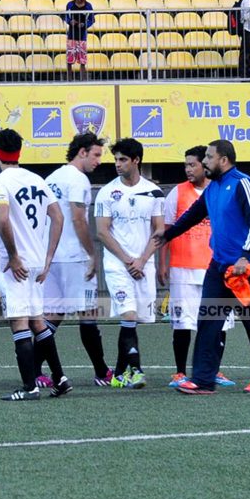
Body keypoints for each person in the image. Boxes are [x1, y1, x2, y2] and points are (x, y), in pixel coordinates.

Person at [160, 140, 250, 395]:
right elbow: (192, 215)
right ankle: (203, 380)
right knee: (209, 320)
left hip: (245, 268)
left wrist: (244, 257)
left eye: (209, 158)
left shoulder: (243, 183)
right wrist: (167, 235)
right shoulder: (213, 188)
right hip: (219, 266)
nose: (204, 162)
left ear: (223, 160)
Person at [0, 129, 70, 401]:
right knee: (37, 320)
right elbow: (58, 217)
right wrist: (48, 258)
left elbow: (2, 220)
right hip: (36, 262)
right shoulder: (38, 180)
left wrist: (12, 256)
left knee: (19, 322)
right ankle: (60, 378)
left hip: (17, 264)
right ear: (19, 152)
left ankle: (29, 387)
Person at [158, 145, 236, 388]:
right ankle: (180, 372)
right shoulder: (177, 193)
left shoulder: (221, 191)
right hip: (182, 268)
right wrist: (163, 264)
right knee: (182, 322)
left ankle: (213, 371)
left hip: (215, 268)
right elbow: (167, 230)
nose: (188, 169)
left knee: (219, 321)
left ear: (207, 164)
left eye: (193, 164)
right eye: (186, 165)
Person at [94, 138, 164, 390]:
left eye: (123, 159)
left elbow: (158, 229)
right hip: (117, 266)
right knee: (129, 314)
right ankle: (136, 370)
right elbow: (102, 231)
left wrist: (143, 260)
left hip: (144, 266)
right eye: (115, 159)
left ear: (136, 161)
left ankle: (119, 373)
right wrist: (127, 261)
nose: (117, 164)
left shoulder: (153, 191)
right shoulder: (106, 192)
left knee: (135, 320)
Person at [43, 133, 109, 387]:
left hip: (52, 255)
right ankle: (102, 372)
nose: (99, 161)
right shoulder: (78, 180)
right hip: (73, 256)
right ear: (82, 152)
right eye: (96, 154)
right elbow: (78, 219)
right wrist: (91, 253)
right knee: (88, 312)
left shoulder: (52, 178)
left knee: (52, 314)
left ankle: (36, 370)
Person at [65, 0, 94, 82]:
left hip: (83, 36)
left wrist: (85, 25)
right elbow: (66, 17)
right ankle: (69, 80)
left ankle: (83, 81)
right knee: (70, 60)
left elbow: (92, 19)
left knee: (82, 60)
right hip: (71, 35)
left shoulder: (88, 6)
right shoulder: (70, 5)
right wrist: (70, 22)